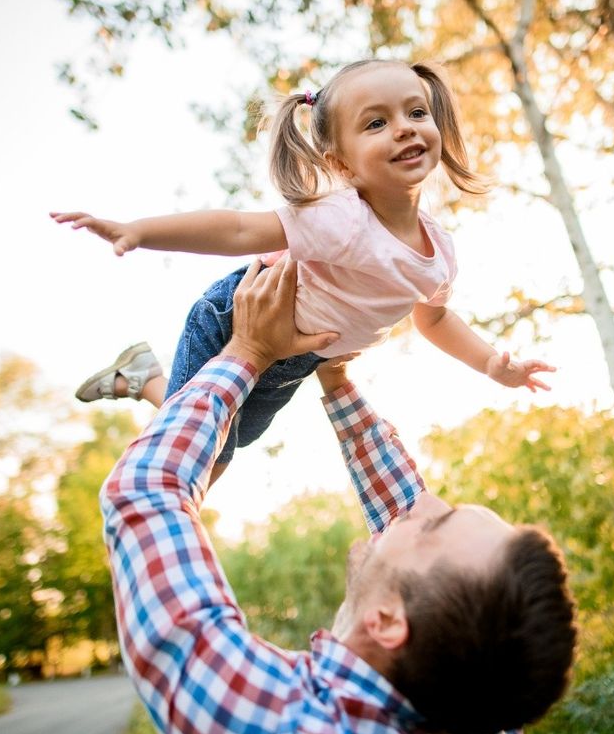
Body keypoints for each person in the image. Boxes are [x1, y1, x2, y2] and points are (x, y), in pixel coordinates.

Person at [102, 257, 577, 734]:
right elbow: (404, 518)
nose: (427, 503)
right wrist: (337, 379)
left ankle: (145, 379)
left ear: (387, 621)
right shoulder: (485, 700)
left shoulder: (285, 722)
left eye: (435, 525)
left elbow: (145, 491)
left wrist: (248, 350)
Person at [53, 59, 553, 482]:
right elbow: (239, 231)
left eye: (416, 112)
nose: (404, 127)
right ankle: (155, 469)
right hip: (236, 321)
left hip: (296, 361)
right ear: (343, 165)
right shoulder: (343, 218)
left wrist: (491, 364)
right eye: (376, 123)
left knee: (237, 437)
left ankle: (142, 376)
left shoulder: (438, 252)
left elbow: (436, 319)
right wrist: (139, 232)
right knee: (208, 454)